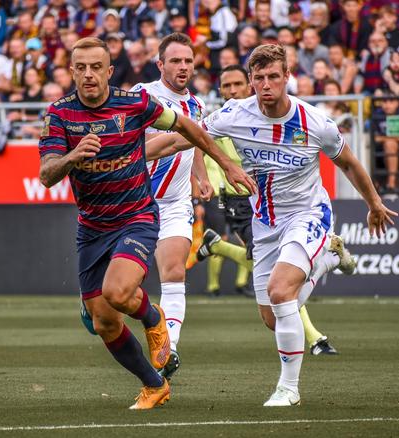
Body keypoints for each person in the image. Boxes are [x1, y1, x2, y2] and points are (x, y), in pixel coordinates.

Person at [38, 37, 255, 410]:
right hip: (92, 226)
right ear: (71, 71)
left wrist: (225, 162)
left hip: (137, 215)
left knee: (119, 293)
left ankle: (156, 321)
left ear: (109, 71)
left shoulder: (134, 103)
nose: (88, 75)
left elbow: (185, 128)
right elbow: (46, 174)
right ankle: (155, 385)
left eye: (96, 67)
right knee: (103, 322)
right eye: (81, 68)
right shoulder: (59, 115)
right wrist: (73, 156)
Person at [194, 44, 396, 406]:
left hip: (307, 214)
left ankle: (289, 389)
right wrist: (138, 150)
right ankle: (329, 259)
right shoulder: (234, 114)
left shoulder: (315, 122)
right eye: (259, 78)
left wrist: (374, 203)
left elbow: (347, 163)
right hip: (265, 222)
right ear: (251, 82)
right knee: (273, 318)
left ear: (288, 76)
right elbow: (193, 134)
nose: (266, 84)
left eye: (274, 76)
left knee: (281, 290)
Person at [194, 64, 341, 355]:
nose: (233, 90)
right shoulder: (226, 117)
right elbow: (195, 140)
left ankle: (314, 338)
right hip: (233, 198)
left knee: (282, 277)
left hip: (264, 201)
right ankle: (314, 336)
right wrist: (201, 177)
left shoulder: (261, 114)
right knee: (276, 277)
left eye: (237, 84)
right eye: (227, 86)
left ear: (247, 86)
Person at [130, 33, 213, 381]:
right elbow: (139, 143)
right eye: (175, 61)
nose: (183, 67)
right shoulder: (143, 95)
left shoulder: (196, 105)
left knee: (174, 272)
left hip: (176, 202)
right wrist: (182, 137)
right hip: (135, 200)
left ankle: (169, 348)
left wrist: (202, 176)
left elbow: (194, 146)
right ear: (160, 64)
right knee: (119, 289)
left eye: (188, 61)